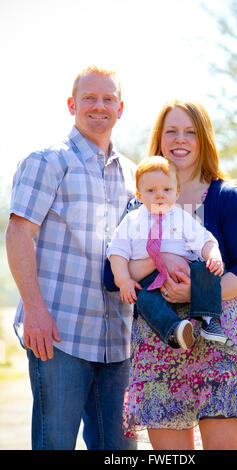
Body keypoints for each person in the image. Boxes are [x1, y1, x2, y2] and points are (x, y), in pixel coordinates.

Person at [5, 65, 137, 450]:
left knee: (119, 451)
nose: (99, 106)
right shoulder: (47, 161)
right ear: (72, 104)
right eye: (89, 98)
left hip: (119, 339)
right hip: (60, 334)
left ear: (120, 107)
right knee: (55, 444)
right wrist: (34, 309)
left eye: (108, 99)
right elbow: (18, 233)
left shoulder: (132, 175)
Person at [122, 99, 237, 450]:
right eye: (171, 131)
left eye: (190, 132)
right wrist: (160, 259)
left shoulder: (225, 197)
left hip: (218, 341)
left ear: (203, 140)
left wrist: (198, 295)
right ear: (160, 139)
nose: (180, 140)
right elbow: (116, 274)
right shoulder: (138, 204)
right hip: (160, 341)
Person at [107, 155, 226, 351]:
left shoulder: (182, 217)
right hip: (149, 279)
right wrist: (124, 280)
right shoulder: (131, 221)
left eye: (167, 190)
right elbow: (117, 252)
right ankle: (175, 330)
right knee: (144, 300)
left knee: (207, 270)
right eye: (151, 190)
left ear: (177, 193)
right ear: (139, 195)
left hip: (184, 271)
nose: (159, 195)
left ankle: (209, 318)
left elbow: (204, 239)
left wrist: (213, 254)